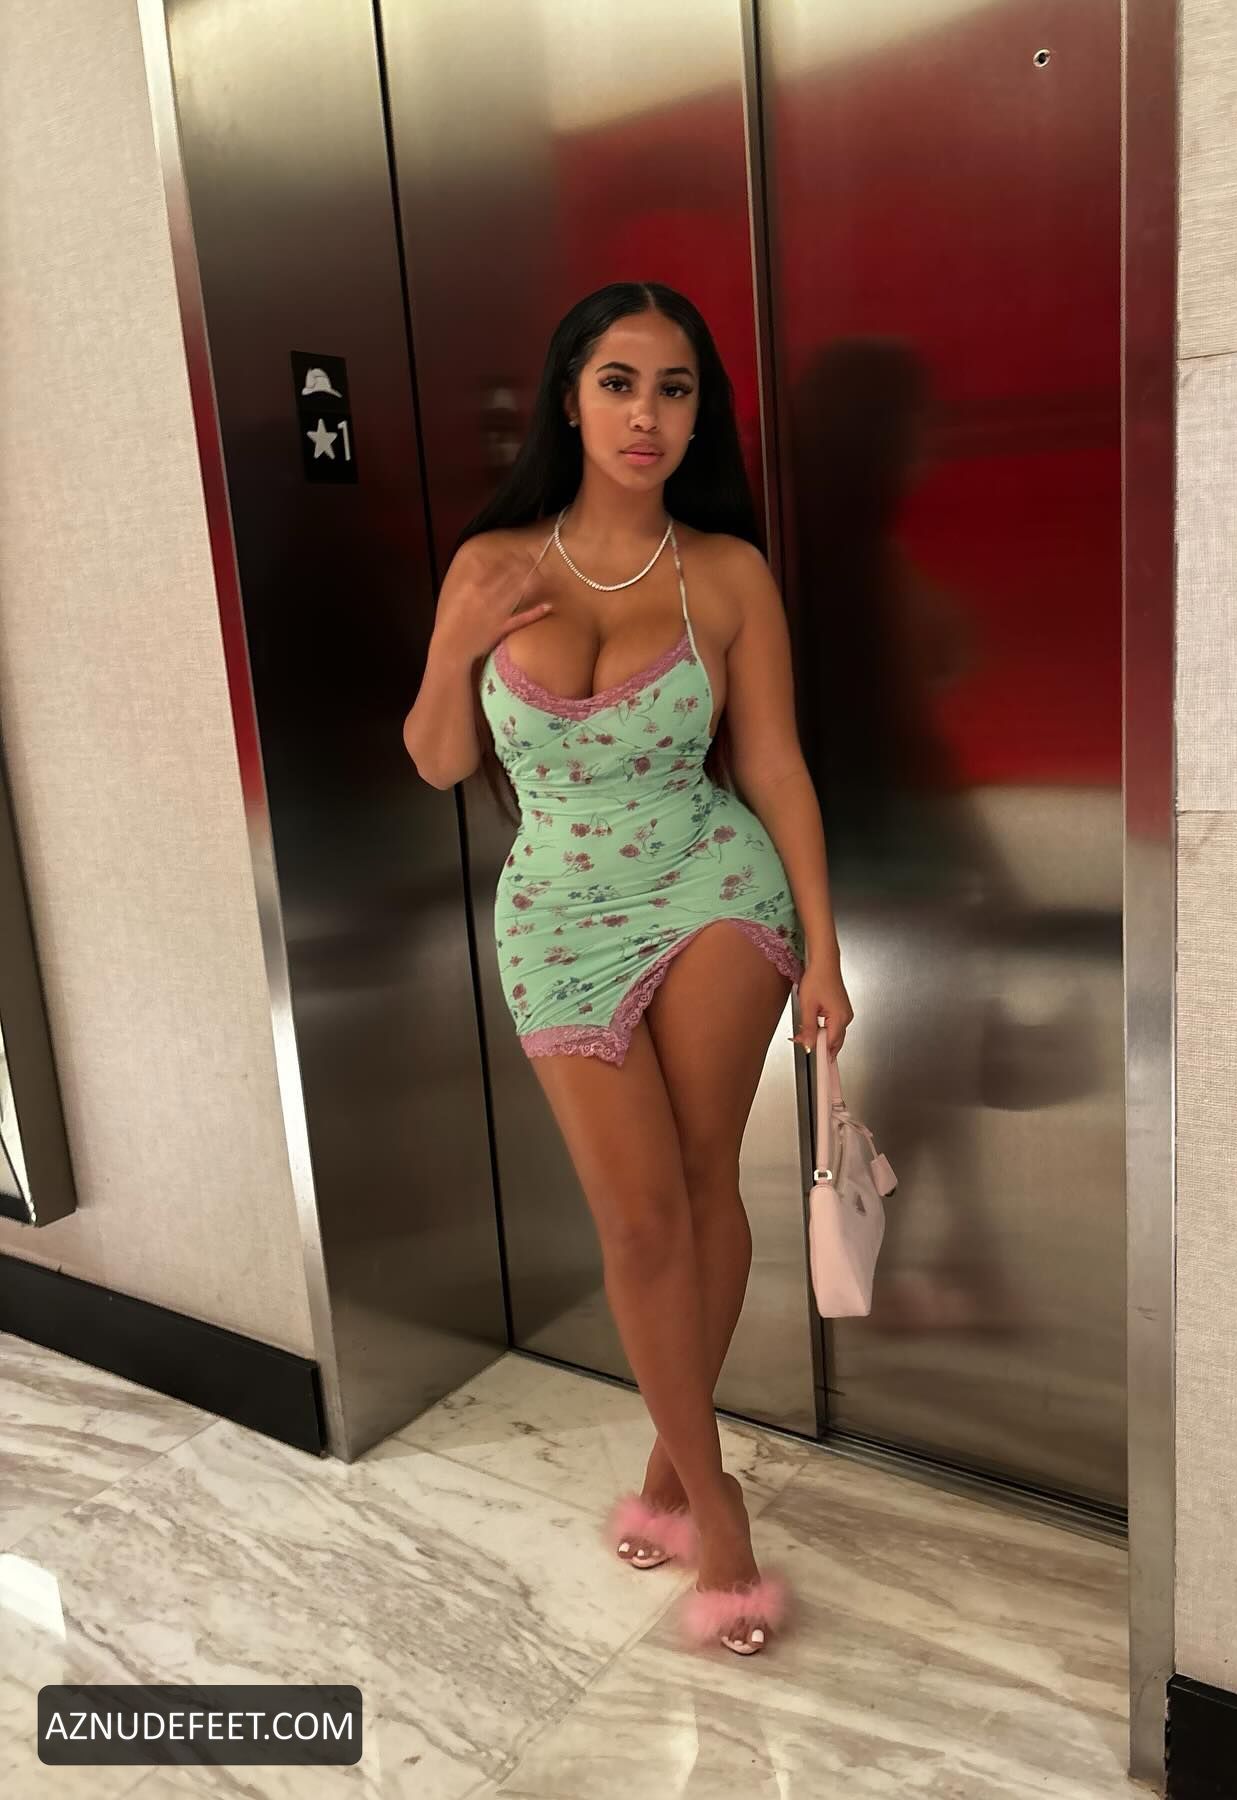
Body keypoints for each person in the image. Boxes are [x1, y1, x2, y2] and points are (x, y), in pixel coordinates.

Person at [402, 281, 853, 1657]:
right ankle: (697, 1473)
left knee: (704, 1184)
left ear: (700, 414)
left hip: (713, 886)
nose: (646, 414)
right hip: (555, 915)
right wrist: (455, 638)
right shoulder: (492, 563)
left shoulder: (727, 574)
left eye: (675, 388)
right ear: (569, 397)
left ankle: (700, 1501)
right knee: (641, 1220)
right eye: (618, 382)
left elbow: (774, 764)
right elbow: (439, 757)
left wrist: (826, 950)